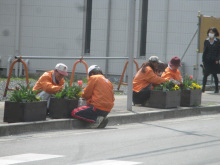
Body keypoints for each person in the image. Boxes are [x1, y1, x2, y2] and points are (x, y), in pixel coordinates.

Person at [202, 27, 220, 93]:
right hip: (207, 60)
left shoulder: (218, 41)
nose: (210, 34)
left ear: (215, 33)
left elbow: (219, 51)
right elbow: (204, 51)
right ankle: (203, 88)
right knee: (206, 74)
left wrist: (217, 59)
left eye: (212, 32)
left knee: (214, 74)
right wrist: (203, 60)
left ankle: (216, 88)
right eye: (210, 32)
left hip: (214, 60)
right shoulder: (206, 41)